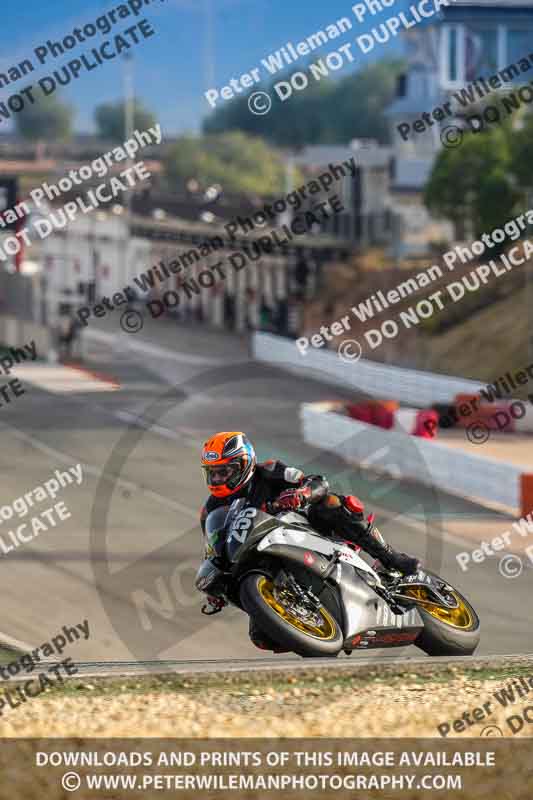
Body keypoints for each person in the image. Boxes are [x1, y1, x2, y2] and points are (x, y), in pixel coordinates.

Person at [198, 431, 421, 651]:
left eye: (224, 472)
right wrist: (215, 591)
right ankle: (312, 626)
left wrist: (302, 493)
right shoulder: (209, 510)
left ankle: (391, 558)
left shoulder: (269, 471)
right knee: (261, 637)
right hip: (261, 555)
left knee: (330, 503)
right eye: (213, 474)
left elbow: (316, 482)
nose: (217, 479)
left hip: (303, 529)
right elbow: (214, 547)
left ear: (244, 464)